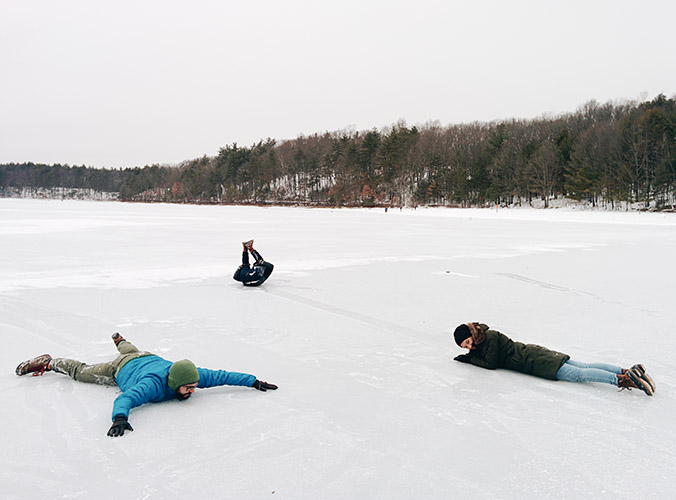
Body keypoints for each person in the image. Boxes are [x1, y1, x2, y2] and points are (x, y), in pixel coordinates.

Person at [15, 333, 278, 437]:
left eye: (194, 386)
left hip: (146, 357)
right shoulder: (153, 386)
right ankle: (50, 362)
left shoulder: (192, 375)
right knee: (81, 371)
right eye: (188, 388)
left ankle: (121, 341)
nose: (193, 390)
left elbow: (224, 375)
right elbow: (126, 399)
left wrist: (253, 381)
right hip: (120, 369)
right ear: (175, 383)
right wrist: (120, 419)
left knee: (132, 350)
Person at [452, 322, 655, 396]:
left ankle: (625, 379)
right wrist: (472, 354)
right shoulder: (485, 339)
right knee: (584, 365)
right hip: (537, 354)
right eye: (466, 347)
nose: (470, 347)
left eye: (468, 342)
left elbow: (491, 364)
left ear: (471, 334)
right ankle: (627, 371)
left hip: (535, 361)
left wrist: (470, 359)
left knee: (578, 374)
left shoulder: (490, 338)